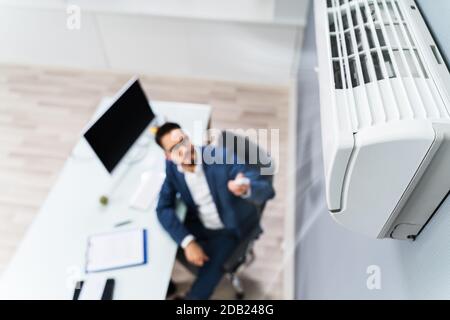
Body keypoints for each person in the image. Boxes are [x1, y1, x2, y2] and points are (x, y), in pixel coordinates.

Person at [155, 122, 275, 299]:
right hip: (199, 221)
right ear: (167, 156)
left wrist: (246, 187)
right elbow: (163, 207)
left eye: (183, 141)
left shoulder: (221, 158)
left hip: (228, 229)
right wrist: (188, 242)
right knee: (161, 246)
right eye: (174, 148)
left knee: (201, 289)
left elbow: (267, 190)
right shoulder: (173, 168)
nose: (184, 150)